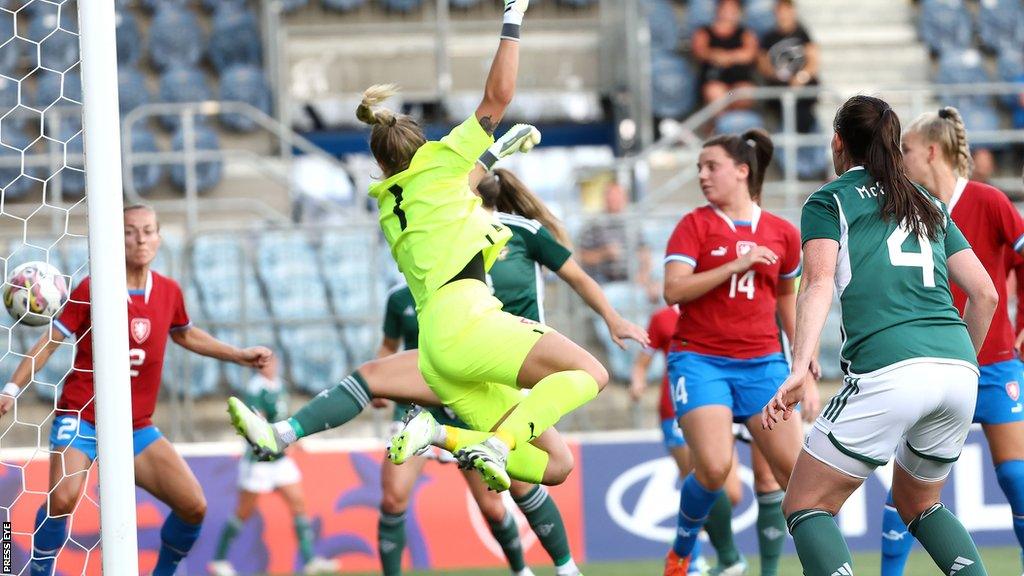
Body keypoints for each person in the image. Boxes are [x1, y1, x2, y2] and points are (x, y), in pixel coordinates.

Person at [762, 95, 997, 576]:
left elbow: (819, 282)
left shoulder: (829, 200)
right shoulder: (925, 200)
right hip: (958, 368)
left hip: (889, 366)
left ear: (838, 142)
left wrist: (800, 364)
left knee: (805, 504)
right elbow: (985, 294)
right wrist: (956, 365)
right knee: (920, 502)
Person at [0, 205, 272, 576]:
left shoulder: (168, 291)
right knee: (63, 497)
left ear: (160, 237)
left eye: (148, 230)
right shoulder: (93, 288)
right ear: (117, 238)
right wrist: (12, 389)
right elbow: (49, 343)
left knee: (193, 505)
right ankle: (38, 571)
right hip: (83, 415)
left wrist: (239, 355)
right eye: (130, 231)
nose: (141, 239)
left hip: (135, 426)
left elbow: (186, 334)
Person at [877, 107, 1024, 576]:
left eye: (906, 151)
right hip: (932, 366)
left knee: (1017, 478)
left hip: (997, 362)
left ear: (932, 152)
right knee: (906, 490)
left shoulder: (989, 201)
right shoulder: (905, 208)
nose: (899, 159)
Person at [661, 128, 815, 576]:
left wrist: (801, 357)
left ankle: (825, 566)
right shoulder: (694, 225)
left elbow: (788, 296)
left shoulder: (782, 232)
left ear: (742, 171)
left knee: (799, 478)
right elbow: (673, 290)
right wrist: (735, 263)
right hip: (700, 359)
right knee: (713, 468)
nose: (703, 176)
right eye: (699, 169)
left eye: (712, 167)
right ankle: (681, 553)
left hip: (764, 363)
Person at [374, 282, 535, 576]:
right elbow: (388, 346)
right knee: (392, 497)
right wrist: (379, 381)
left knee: (493, 509)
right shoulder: (398, 298)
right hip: (415, 405)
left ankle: (521, 570)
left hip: (464, 406)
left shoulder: (469, 290)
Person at [208, 354, 337, 576]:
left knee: (298, 503)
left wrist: (296, 439)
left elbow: (283, 418)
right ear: (260, 366)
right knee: (243, 511)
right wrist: (277, 440)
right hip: (259, 460)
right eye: (268, 363)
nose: (273, 366)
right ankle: (219, 560)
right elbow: (258, 423)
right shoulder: (256, 389)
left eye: (275, 362)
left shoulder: (279, 386)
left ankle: (310, 561)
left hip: (280, 460)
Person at [757, 0, 819, 134]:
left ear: (793, 12)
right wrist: (779, 75)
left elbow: (813, 59)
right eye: (780, 11)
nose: (783, 15)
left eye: (786, 11)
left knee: (805, 118)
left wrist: (802, 77)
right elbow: (763, 64)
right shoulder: (769, 37)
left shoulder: (802, 33)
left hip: (802, 88)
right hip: (779, 87)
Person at [691, 0, 759, 106]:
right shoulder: (704, 31)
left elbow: (749, 54)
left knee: (744, 93)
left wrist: (725, 57)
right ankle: (717, 122)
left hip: (737, 83)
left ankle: (736, 121)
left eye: (733, 9)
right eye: (726, 9)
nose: (729, 13)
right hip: (713, 81)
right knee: (717, 94)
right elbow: (700, 52)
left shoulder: (745, 32)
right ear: (718, 9)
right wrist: (715, 55)